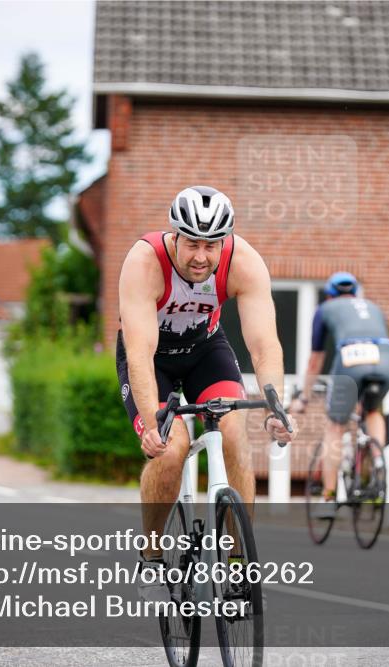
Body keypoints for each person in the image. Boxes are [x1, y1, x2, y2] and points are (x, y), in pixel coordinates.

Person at [117, 185, 296, 597]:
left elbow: (264, 345)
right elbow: (140, 353)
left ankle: (237, 562)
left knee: (233, 433)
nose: (201, 256)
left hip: (205, 351)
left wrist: (277, 407)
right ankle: (152, 555)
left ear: (224, 242)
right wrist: (152, 425)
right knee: (172, 449)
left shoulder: (243, 262)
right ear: (175, 237)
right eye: (192, 243)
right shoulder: (145, 262)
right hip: (152, 359)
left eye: (211, 245)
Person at [290, 272, 389, 516]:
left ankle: (328, 498)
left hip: (352, 359)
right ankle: (378, 460)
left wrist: (303, 398)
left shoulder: (325, 309)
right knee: (372, 410)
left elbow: (315, 361)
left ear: (329, 295)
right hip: (387, 359)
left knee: (335, 426)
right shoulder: (372, 306)